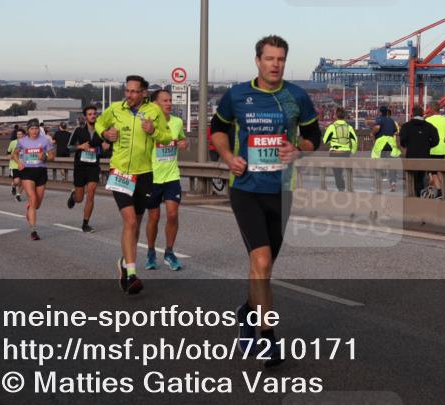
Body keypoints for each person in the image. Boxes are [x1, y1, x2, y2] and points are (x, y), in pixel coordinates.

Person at [210, 35, 320, 367]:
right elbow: (217, 129)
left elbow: (313, 136)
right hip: (245, 188)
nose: (275, 64)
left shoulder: (296, 96)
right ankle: (267, 338)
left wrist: (298, 150)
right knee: (260, 261)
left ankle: (247, 310)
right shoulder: (237, 95)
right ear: (257, 60)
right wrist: (228, 156)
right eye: (269, 58)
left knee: (265, 269)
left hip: (282, 191)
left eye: (281, 59)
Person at [95, 75, 172, 295]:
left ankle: (124, 262)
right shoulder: (115, 109)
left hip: (144, 174)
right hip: (120, 172)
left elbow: (167, 137)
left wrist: (153, 131)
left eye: (134, 91)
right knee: (129, 221)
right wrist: (105, 133)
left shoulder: (154, 111)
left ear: (144, 93)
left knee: (135, 224)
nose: (129, 95)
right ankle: (131, 274)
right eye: (127, 90)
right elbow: (100, 123)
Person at [145, 90, 187, 270]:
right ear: (155, 104)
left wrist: (184, 143)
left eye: (170, 100)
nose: (169, 103)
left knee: (172, 214)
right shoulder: (149, 125)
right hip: (152, 177)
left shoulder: (177, 122)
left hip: (172, 176)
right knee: (154, 217)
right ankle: (151, 251)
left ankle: (169, 252)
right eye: (165, 101)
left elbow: (183, 140)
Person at [12, 118, 55, 240]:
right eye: (32, 128)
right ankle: (33, 231)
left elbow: (52, 156)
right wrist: (18, 163)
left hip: (41, 172)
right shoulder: (22, 141)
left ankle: (30, 208)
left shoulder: (45, 140)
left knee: (37, 204)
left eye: (36, 128)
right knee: (32, 198)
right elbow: (14, 154)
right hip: (27, 172)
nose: (34, 131)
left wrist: (45, 157)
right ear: (28, 130)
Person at [67, 106, 106, 233]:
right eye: (90, 114)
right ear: (85, 117)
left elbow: (105, 149)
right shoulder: (78, 130)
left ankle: (85, 224)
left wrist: (104, 148)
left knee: (91, 194)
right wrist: (80, 146)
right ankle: (74, 196)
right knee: (80, 198)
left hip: (93, 167)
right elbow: (68, 147)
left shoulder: (101, 132)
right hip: (80, 167)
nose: (93, 116)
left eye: (94, 114)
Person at [397, 106, 439, 198]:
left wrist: (407, 145)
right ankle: (422, 194)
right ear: (422, 114)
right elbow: (436, 140)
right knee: (422, 177)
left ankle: (414, 197)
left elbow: (402, 140)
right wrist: (428, 146)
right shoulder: (429, 126)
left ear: (412, 114)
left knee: (412, 178)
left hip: (411, 156)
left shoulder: (406, 126)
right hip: (425, 156)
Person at [321, 107, 357, 192]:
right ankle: (347, 188)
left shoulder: (332, 127)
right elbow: (354, 140)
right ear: (344, 116)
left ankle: (341, 188)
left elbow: (325, 141)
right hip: (346, 153)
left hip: (335, 153)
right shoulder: (349, 127)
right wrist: (353, 151)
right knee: (346, 171)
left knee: (337, 173)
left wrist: (329, 134)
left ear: (335, 116)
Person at [370, 106, 400, 191]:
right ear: (387, 112)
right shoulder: (391, 120)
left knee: (377, 164)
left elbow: (377, 127)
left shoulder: (379, 119)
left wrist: (372, 133)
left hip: (381, 145)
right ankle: (393, 183)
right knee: (392, 166)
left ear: (380, 112)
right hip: (391, 145)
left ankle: (377, 184)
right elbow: (395, 131)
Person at [424, 108, 445, 197]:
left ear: (432, 110)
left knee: (433, 172)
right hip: (442, 149)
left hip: (431, 149)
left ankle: (439, 190)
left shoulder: (428, 120)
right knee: (439, 170)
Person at [7, 128, 24, 201]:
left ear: (24, 135)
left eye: (21, 134)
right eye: (18, 134)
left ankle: (18, 195)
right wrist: (10, 156)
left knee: (23, 181)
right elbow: (8, 152)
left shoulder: (27, 143)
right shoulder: (13, 142)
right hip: (14, 165)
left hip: (24, 165)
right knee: (17, 181)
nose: (19, 135)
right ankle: (13, 186)